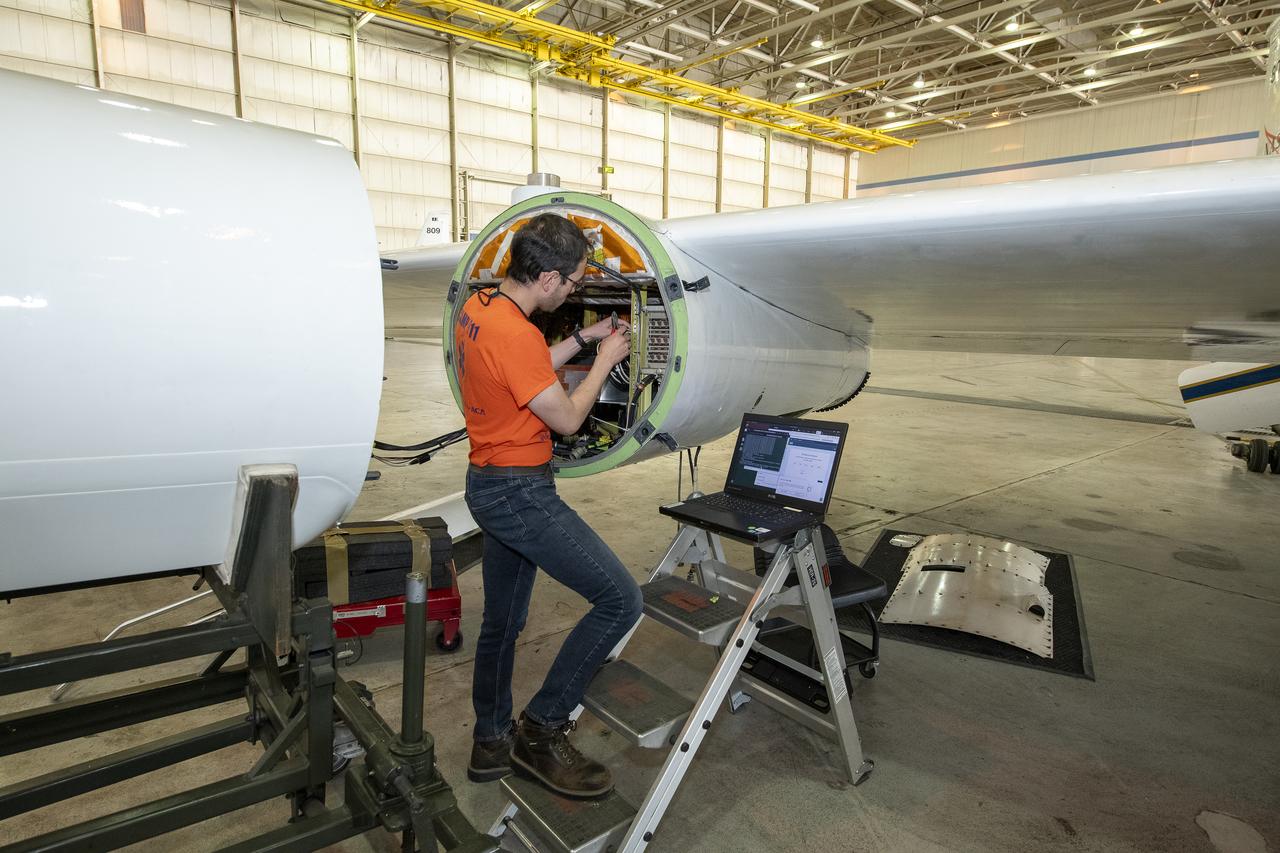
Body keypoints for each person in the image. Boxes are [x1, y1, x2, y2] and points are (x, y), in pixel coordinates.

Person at [457, 212, 642, 798]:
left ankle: (490, 741)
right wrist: (607, 362)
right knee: (620, 599)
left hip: (488, 482)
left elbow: (525, 371)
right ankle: (542, 727)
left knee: (503, 622)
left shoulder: (483, 308)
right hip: (519, 492)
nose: (574, 291)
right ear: (548, 279)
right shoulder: (515, 334)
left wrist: (585, 339)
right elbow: (564, 417)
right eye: (572, 283)